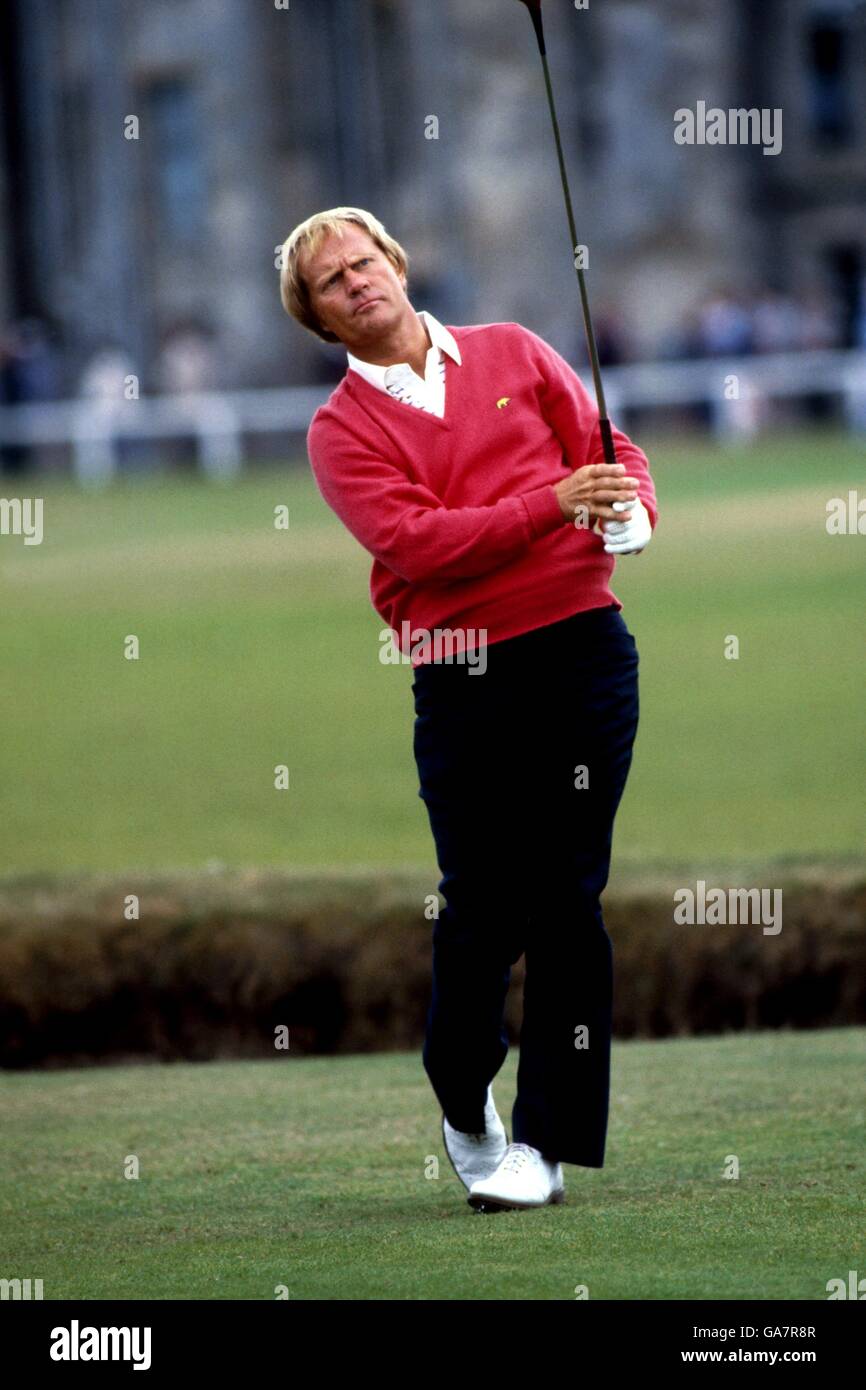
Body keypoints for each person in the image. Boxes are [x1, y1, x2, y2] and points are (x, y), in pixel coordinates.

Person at [279, 207, 659, 1213]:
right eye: (331, 282)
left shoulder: (513, 350)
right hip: (462, 673)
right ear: (319, 318)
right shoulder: (339, 432)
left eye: (364, 261)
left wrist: (629, 506)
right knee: (482, 902)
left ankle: (546, 1141)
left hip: (582, 648)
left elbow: (604, 444)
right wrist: (552, 503)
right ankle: (461, 1095)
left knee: (569, 897)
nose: (356, 282)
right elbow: (423, 545)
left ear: (396, 265)